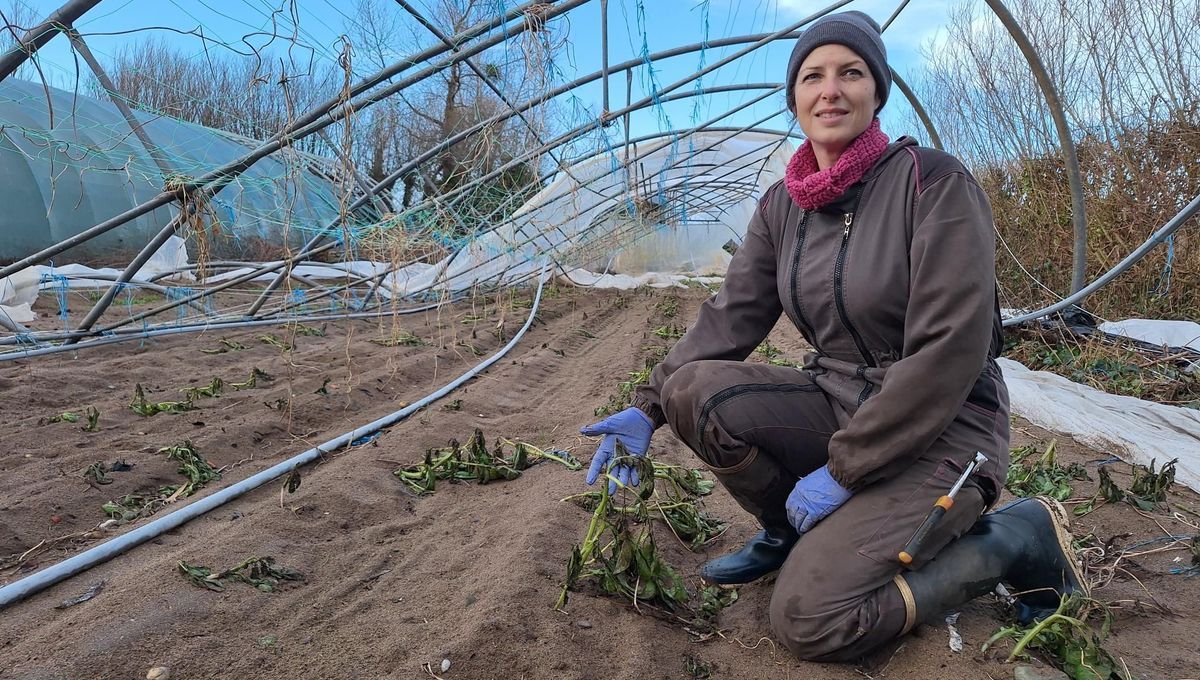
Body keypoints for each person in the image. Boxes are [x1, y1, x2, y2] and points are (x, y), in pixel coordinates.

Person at [579, 11, 1088, 662]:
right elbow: (731, 316)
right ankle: (790, 533)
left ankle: (1015, 539)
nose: (831, 90)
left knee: (809, 619)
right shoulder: (782, 208)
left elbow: (951, 349)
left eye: (851, 73)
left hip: (945, 428)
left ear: (877, 90)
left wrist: (845, 468)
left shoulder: (932, 184)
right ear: (794, 97)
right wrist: (648, 406)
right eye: (813, 76)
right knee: (694, 392)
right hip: (838, 400)